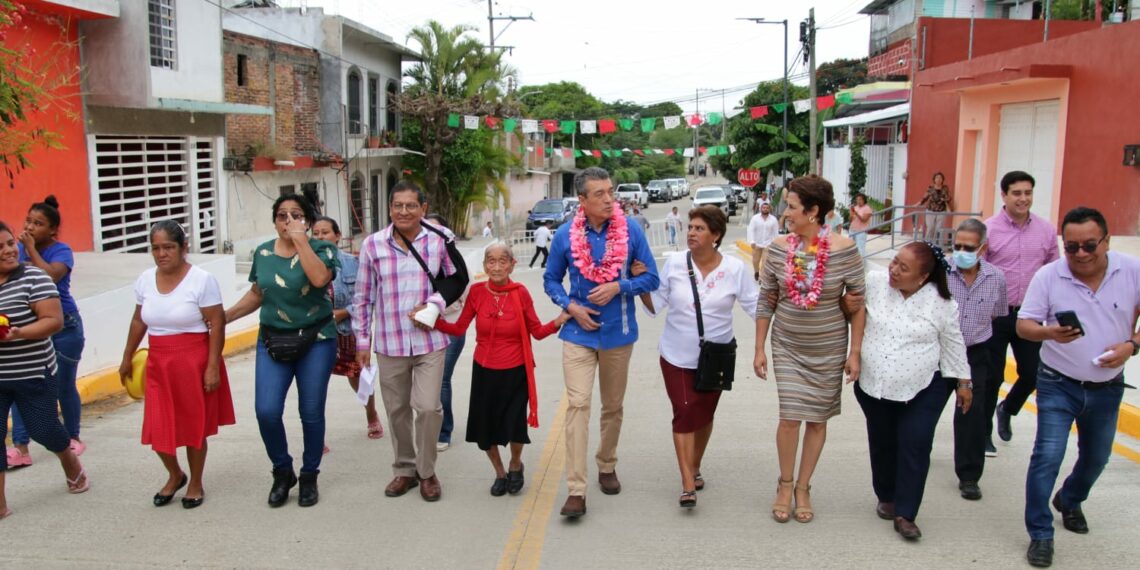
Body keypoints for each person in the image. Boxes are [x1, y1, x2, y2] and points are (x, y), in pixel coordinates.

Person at [1015, 207, 1139, 568]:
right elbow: (1024, 326)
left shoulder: (1132, 270)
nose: (1081, 254)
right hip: (1058, 383)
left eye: (1089, 245)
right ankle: (1041, 534)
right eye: (1071, 247)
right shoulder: (1049, 276)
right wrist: (1049, 333)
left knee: (1097, 457)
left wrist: (1132, 345)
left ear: (1106, 241)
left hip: (1108, 387)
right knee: (1047, 457)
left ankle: (1069, 499)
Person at [544, 166, 659, 518]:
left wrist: (619, 286)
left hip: (618, 334)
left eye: (611, 192)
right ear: (582, 200)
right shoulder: (564, 235)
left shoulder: (631, 230)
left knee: (612, 406)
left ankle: (607, 463)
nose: (609, 199)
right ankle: (576, 489)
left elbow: (652, 278)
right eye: (600, 194)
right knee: (578, 405)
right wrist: (571, 307)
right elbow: (551, 280)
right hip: (578, 333)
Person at [754, 175, 865, 524]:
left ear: (813, 211)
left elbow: (858, 303)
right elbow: (767, 299)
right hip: (787, 344)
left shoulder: (845, 250)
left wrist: (855, 352)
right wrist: (759, 348)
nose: (785, 213)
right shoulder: (777, 249)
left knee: (817, 419)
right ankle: (785, 484)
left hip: (829, 348)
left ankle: (804, 487)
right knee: (790, 417)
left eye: (791, 207)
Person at [636, 206, 758, 508]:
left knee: (704, 415)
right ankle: (687, 483)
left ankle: (695, 465)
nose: (691, 232)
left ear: (716, 235)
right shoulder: (675, 263)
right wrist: (640, 286)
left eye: (699, 228)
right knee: (685, 410)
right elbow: (655, 305)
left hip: (716, 357)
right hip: (676, 355)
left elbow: (756, 307)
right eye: (690, 227)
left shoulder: (735, 269)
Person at [224, 194, 339, 508]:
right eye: (282, 215)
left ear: (308, 221)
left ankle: (310, 474)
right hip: (273, 339)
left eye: (296, 215)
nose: (288, 221)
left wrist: (301, 241)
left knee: (310, 412)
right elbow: (257, 292)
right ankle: (282, 470)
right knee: (267, 410)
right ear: (274, 222)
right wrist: (226, 317)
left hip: (316, 339)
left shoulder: (323, 249)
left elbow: (319, 278)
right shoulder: (263, 252)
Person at [351, 181, 462, 503]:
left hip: (430, 341)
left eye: (411, 205)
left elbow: (456, 279)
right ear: (389, 209)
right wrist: (362, 342)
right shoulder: (373, 245)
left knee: (428, 408)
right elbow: (363, 297)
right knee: (397, 409)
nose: (404, 211)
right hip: (390, 342)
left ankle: (427, 472)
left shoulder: (439, 239)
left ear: (423, 208)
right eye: (397, 205)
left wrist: (434, 305)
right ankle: (404, 469)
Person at [855, 241, 971, 540]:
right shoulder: (875, 283)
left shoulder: (941, 303)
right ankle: (886, 495)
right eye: (894, 261)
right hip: (875, 385)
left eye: (903, 268)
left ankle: (906, 514)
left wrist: (964, 382)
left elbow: (953, 342)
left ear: (923, 277)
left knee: (915, 443)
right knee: (882, 441)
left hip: (924, 387)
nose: (893, 270)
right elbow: (851, 308)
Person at [434, 244, 570, 496]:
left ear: (511, 265)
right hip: (484, 371)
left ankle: (515, 464)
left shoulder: (520, 293)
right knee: (485, 428)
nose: (496, 267)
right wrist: (433, 322)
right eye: (491, 261)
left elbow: (537, 332)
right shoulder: (476, 292)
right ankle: (499, 472)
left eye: (502, 261)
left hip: (515, 371)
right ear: (485, 266)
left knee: (515, 425)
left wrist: (558, 321)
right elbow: (459, 328)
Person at [117, 221, 235, 509]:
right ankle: (175, 474)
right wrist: (126, 356)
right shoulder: (145, 279)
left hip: (193, 361)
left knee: (193, 426)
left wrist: (212, 366)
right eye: (156, 248)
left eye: (168, 247)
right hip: (158, 362)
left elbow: (217, 323)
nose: (162, 254)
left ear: (184, 247)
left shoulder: (201, 280)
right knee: (157, 427)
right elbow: (138, 320)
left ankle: (195, 482)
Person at [0, 220, 90, 518]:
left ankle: (69, 461)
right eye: (0, 247)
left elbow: (54, 321)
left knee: (43, 429)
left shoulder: (34, 277)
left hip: (33, 372)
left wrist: (18, 333)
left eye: (10, 243)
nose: (8, 251)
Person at [7, 196, 86, 469]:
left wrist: (30, 250)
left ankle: (72, 437)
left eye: (38, 223)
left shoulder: (61, 251)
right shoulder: (14, 250)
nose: (30, 227)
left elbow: (50, 276)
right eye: (28, 221)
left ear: (52, 230)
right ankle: (20, 446)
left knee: (63, 385)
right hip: (29, 327)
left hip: (64, 326)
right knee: (20, 385)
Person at [987, 171, 1059, 452]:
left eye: (1028, 193)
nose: (1023, 198)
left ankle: (1007, 409)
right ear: (1003, 195)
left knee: (1032, 373)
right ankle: (982, 434)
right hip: (995, 315)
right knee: (991, 378)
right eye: (1017, 193)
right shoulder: (988, 229)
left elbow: (1054, 272)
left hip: (1029, 315)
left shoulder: (1046, 230)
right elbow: (976, 272)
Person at [944, 219, 1007, 502]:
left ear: (983, 248)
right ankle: (915, 456)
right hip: (940, 352)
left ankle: (969, 476)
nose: (961, 252)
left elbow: (997, 313)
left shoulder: (996, 278)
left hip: (975, 354)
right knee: (924, 410)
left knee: (972, 413)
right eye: (957, 246)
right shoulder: (940, 271)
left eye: (968, 248)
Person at [310, 217, 382, 441]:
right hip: (317, 334)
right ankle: (315, 436)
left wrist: (343, 312)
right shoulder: (305, 264)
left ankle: (371, 414)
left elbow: (368, 297)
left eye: (325, 232)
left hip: (349, 330)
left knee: (358, 376)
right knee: (314, 383)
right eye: (316, 233)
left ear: (338, 236)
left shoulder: (354, 263)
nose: (320, 237)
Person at [424, 213, 467, 453]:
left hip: (450, 328)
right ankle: (428, 424)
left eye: (436, 229)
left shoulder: (456, 264)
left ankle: (444, 431)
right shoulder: (417, 261)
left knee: (441, 380)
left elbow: (465, 298)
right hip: (423, 329)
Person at [747, 202, 779, 282]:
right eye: (764, 208)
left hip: (768, 244)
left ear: (769, 209)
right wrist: (752, 241)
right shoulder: (755, 218)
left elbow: (775, 233)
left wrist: (774, 243)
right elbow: (751, 230)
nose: (765, 209)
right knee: (755, 261)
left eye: (767, 208)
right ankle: (756, 272)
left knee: (765, 262)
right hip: (756, 243)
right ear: (761, 209)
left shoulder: (773, 219)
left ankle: (761, 277)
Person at [918, 172, 952, 242]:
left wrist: (944, 199)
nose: (938, 179)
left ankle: (935, 243)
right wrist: (918, 203)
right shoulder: (930, 188)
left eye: (940, 178)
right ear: (934, 179)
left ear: (942, 180)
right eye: (937, 178)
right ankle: (927, 242)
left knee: (938, 229)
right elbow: (925, 197)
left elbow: (949, 198)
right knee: (930, 227)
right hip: (931, 210)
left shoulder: (945, 188)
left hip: (941, 211)